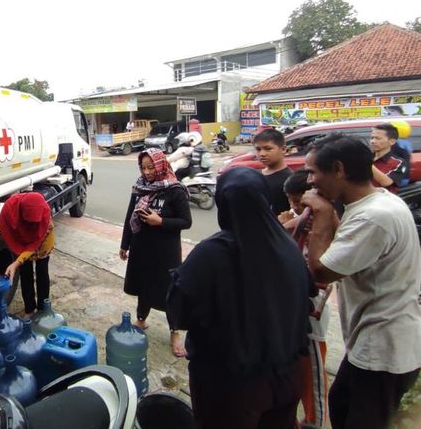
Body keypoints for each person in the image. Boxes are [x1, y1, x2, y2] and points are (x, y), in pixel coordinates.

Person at [166, 167, 311, 428]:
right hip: (287, 375)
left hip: (231, 385)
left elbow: (179, 312)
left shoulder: (210, 254)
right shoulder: (286, 245)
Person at [302, 135, 421, 429]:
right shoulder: (375, 203)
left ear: (339, 169)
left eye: (314, 172)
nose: (310, 182)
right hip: (372, 344)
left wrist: (321, 214)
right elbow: (342, 247)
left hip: (384, 350)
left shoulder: (373, 217)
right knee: (341, 405)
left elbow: (321, 272)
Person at [120, 148, 192, 357]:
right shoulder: (140, 187)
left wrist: (160, 221)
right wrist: (125, 244)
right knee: (144, 285)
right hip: (142, 248)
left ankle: (174, 332)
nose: (147, 171)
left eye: (151, 167)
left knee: (170, 291)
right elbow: (129, 217)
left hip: (165, 251)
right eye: (143, 167)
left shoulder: (175, 190)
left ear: (161, 165)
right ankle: (141, 320)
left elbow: (186, 221)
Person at [278, 170, 332, 429]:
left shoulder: (321, 223)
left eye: (299, 200)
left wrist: (287, 226)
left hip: (312, 311)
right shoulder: (300, 219)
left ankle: (315, 421)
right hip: (293, 307)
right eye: (290, 200)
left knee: (313, 373)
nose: (295, 207)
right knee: (296, 368)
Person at [0, 192, 55, 318]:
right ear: (21, 214)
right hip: (21, 243)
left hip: (42, 242)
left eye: (33, 223)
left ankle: (43, 310)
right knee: (25, 272)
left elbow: (34, 245)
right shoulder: (9, 209)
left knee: (42, 271)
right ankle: (29, 309)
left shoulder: (46, 218)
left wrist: (14, 264)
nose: (30, 226)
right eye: (28, 222)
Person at [253, 128, 292, 215]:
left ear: (283, 149)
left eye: (268, 149)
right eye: (258, 149)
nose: (262, 154)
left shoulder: (289, 179)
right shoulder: (256, 176)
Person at [370, 123, 406, 193]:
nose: (372, 141)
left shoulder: (399, 162)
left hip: (384, 201)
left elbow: (386, 182)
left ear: (392, 141)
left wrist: (365, 162)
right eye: (372, 138)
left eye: (378, 138)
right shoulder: (367, 157)